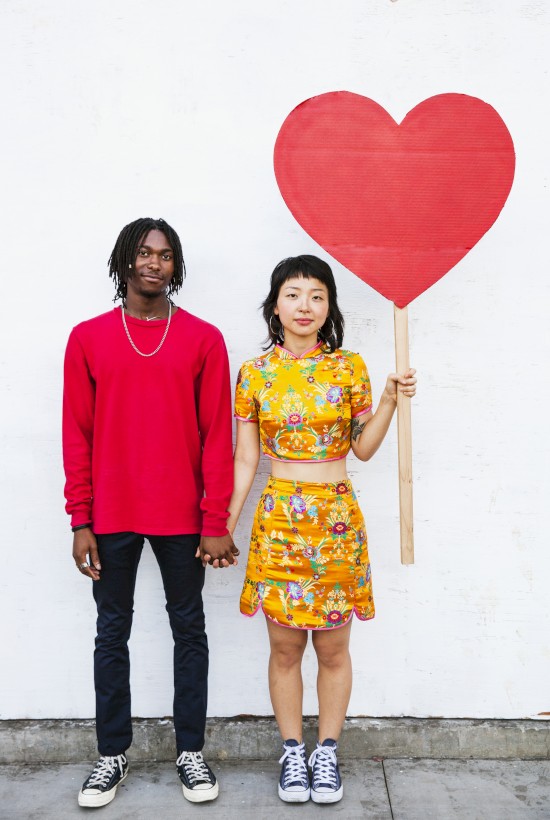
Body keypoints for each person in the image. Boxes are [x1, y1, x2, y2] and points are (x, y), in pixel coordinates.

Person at [227, 255, 416, 805]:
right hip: (280, 523)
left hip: (335, 521)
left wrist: (386, 400)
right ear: (275, 304)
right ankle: (292, 754)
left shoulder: (348, 367)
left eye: (316, 295)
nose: (304, 305)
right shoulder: (254, 373)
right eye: (293, 294)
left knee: (333, 650)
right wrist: (224, 524)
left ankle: (326, 753)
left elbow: (363, 447)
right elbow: (245, 460)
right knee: (285, 649)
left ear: (329, 306)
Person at [62, 217, 238, 808]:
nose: (153, 264)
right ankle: (111, 755)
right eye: (143, 253)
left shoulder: (203, 339)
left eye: (165, 256)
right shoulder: (87, 338)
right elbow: (76, 434)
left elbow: (219, 437)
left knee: (189, 630)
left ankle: (190, 750)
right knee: (112, 632)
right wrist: (79, 518)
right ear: (123, 260)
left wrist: (215, 521)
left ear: (176, 267)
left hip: (183, 516)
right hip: (110, 514)